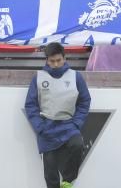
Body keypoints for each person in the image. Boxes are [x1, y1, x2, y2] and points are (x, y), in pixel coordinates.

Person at [24, 42, 91, 188]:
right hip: (47, 127)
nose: (55, 64)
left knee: (78, 145)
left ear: (64, 58)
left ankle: (67, 181)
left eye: (58, 60)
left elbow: (85, 101)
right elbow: (30, 105)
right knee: (50, 173)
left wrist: (76, 123)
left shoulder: (75, 77)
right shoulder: (38, 78)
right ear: (47, 60)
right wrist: (40, 127)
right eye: (52, 61)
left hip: (68, 125)